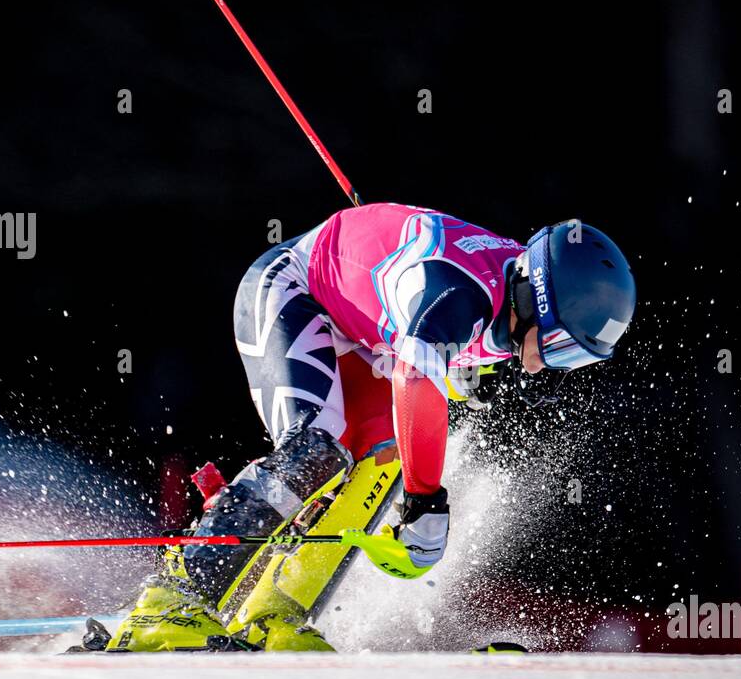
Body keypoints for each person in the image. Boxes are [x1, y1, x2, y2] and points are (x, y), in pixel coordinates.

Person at [101, 202, 635, 651]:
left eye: (575, 360)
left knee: (385, 457)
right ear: (534, 297)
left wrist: (457, 368)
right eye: (561, 346)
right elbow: (413, 371)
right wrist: (427, 500)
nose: (550, 366)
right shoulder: (458, 294)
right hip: (294, 291)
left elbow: (433, 349)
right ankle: (173, 599)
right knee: (317, 445)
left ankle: (274, 615)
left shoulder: (509, 295)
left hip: (361, 330)